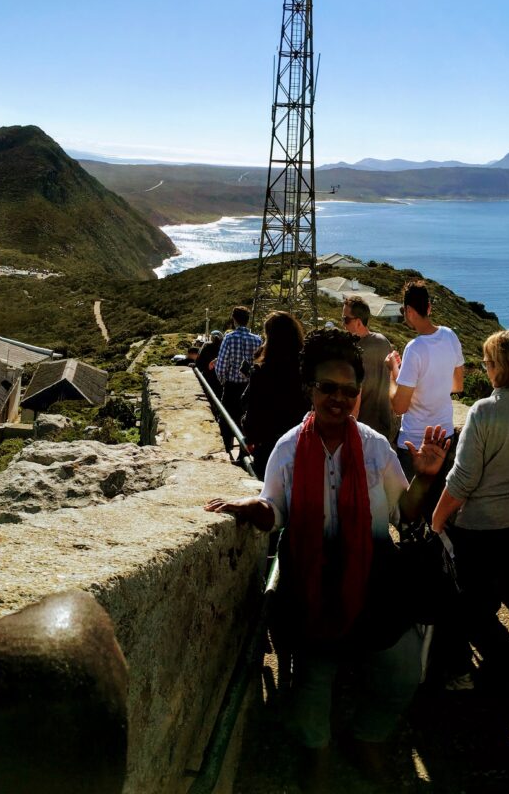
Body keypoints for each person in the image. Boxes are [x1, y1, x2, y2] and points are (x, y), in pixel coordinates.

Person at [204, 329, 450, 791]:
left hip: (373, 578)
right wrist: (250, 508)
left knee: (400, 675)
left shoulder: (375, 446)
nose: (339, 398)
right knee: (314, 683)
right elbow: (275, 509)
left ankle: (367, 737)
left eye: (349, 391)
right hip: (312, 579)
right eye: (328, 388)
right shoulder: (288, 449)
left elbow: (405, 512)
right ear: (309, 389)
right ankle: (315, 751)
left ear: (360, 395)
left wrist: (426, 478)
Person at [429, 331, 509, 692]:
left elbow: (463, 479)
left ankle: (468, 671)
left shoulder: (482, 411)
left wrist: (437, 520)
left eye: (486, 362)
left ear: (497, 367)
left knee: (468, 597)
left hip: (487, 527)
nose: (484, 368)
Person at [387, 281, 464, 539]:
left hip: (416, 443)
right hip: (445, 436)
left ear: (409, 310)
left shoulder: (414, 348)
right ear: (429, 307)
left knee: (411, 514)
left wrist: (392, 374)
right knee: (436, 512)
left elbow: (399, 406)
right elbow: (457, 384)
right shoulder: (450, 336)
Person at [239, 311, 308, 477]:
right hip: (302, 446)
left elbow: (252, 414)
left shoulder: (262, 372)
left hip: (270, 448)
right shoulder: (306, 369)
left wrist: (249, 437)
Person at [342, 296, 397, 442]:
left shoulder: (354, 352)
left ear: (358, 322)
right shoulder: (383, 342)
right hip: (383, 427)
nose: (343, 324)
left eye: (346, 320)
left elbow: (354, 398)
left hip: (361, 430)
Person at [213, 306, 261, 439]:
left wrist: (224, 381)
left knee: (227, 420)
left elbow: (221, 366)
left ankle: (227, 449)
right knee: (246, 421)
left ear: (234, 319)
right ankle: (243, 455)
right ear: (247, 320)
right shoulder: (257, 339)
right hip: (249, 388)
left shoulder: (229, 338)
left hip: (231, 387)